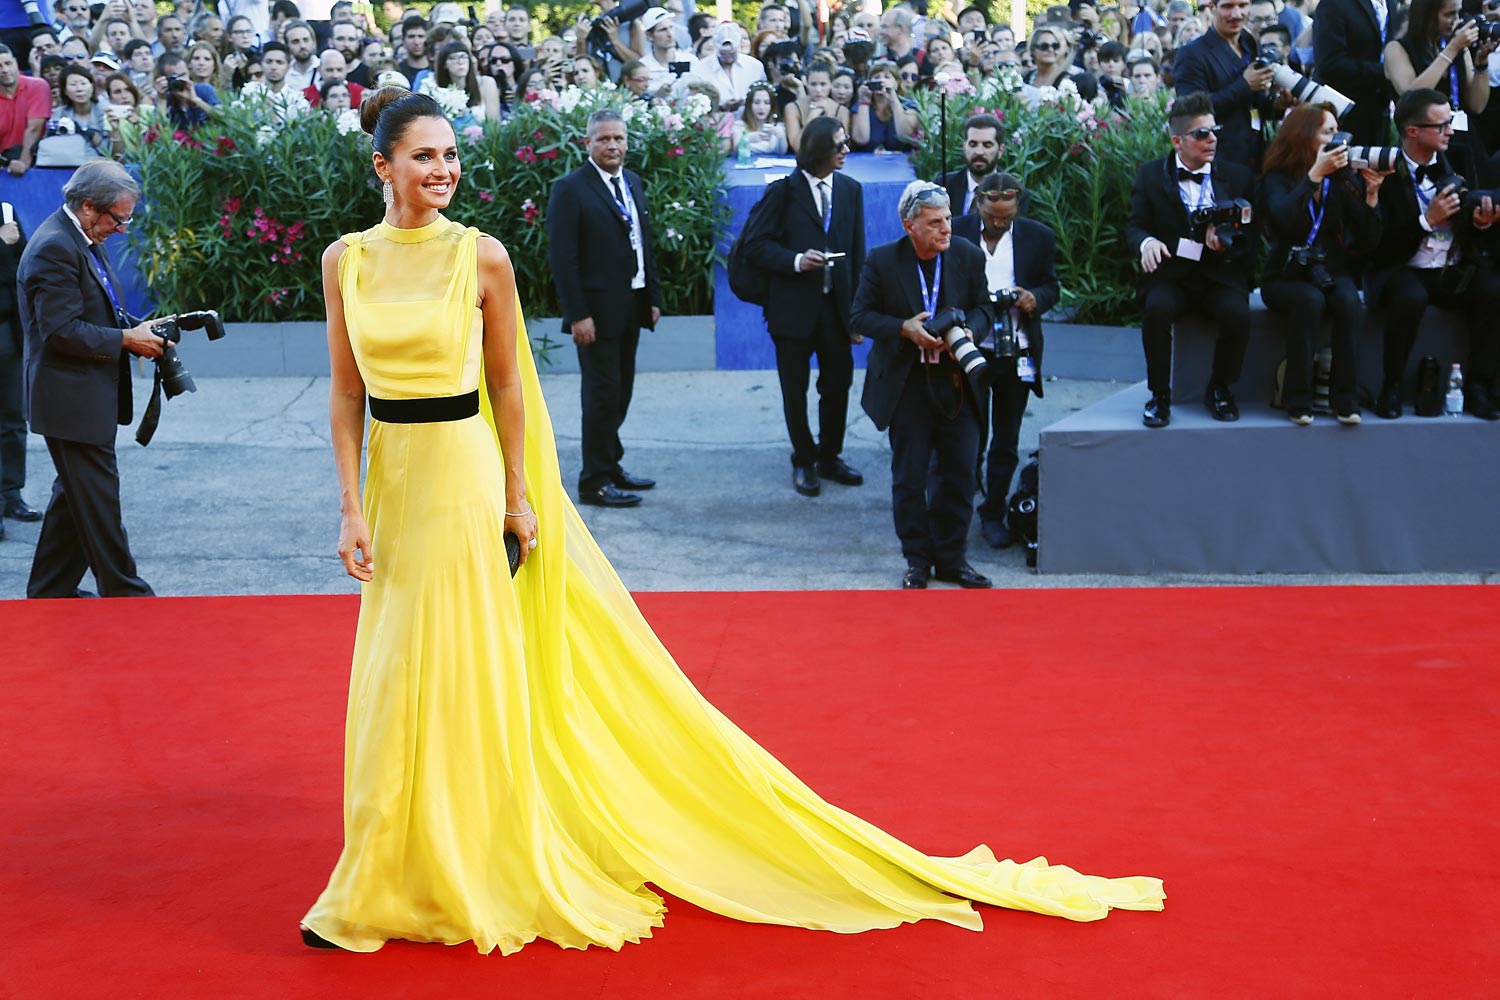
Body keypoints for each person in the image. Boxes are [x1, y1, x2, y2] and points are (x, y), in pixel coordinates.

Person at [297, 82, 1162, 956]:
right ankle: (382, 868)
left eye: (451, 154)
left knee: (469, 668)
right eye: (424, 156)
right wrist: (348, 505)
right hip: (395, 489)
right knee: (393, 674)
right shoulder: (346, 262)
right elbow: (344, 389)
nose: (444, 170)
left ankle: (470, 858)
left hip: (465, 476)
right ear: (384, 165)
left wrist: (518, 495)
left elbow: (510, 383)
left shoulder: (479, 258)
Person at [17, 160, 166, 598]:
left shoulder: (78, 237)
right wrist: (125, 340)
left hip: (81, 395)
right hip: (70, 399)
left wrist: (142, 330)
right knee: (98, 499)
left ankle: (49, 592)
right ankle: (126, 593)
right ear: (88, 207)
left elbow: (95, 309)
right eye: (118, 219)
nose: (122, 228)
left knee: (75, 497)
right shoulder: (54, 248)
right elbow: (61, 331)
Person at [851, 181, 993, 591]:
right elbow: (860, 316)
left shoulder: (967, 255)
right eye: (934, 223)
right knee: (909, 478)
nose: (946, 228)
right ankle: (917, 560)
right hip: (908, 384)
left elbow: (984, 307)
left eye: (948, 219)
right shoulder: (882, 261)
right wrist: (904, 329)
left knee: (960, 474)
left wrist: (968, 330)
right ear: (909, 225)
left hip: (957, 383)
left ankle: (953, 558)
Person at [741, 117, 865, 497]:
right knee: (794, 390)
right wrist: (796, 260)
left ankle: (830, 455)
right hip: (792, 309)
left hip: (835, 309)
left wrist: (857, 314)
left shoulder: (850, 190)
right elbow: (755, 247)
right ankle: (804, 459)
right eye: (839, 145)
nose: (846, 151)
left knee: (838, 385)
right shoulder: (783, 191)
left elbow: (857, 253)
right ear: (817, 151)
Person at [547, 108, 662, 508]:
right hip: (594, 314)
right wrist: (578, 314)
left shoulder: (632, 182)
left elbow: (644, 244)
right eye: (604, 139)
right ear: (588, 143)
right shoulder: (571, 189)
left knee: (621, 391)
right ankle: (593, 480)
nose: (612, 145)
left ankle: (611, 465)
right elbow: (564, 258)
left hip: (631, 305)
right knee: (601, 396)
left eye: (619, 138)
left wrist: (653, 299)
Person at [1364, 87, 1500, 419]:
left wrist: (1481, 221)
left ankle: (1479, 387)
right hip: (1403, 267)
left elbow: (1477, 203)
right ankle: (1391, 387)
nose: (1450, 131)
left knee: (1493, 291)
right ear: (1413, 131)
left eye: (1450, 123)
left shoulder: (1463, 155)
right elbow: (1376, 246)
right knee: (1409, 298)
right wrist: (1427, 220)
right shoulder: (1383, 168)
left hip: (1453, 265)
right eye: (1442, 126)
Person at [1124, 91, 1257, 427]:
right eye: (1201, 134)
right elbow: (1135, 225)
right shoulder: (1152, 175)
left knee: (1238, 315)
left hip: (1220, 275)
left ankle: (1221, 389)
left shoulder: (1238, 176)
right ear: (1177, 141)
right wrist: (1147, 242)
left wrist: (1228, 242)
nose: (1212, 139)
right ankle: (1159, 395)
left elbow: (1254, 237)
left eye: (1215, 131)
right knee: (1156, 310)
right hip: (1172, 274)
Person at [1258, 103, 1386, 425]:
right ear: (1304, 136)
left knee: (1347, 300)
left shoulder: (1342, 179)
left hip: (1330, 271)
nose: (1337, 138)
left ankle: (1345, 400)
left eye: (1337, 131)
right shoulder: (1277, 178)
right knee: (1310, 301)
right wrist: (1314, 175)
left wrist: (1371, 196)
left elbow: (1369, 240)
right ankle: (1297, 398)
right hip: (1286, 275)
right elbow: (1283, 219)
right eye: (1328, 132)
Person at [951, 173, 1060, 550]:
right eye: (993, 216)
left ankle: (993, 511)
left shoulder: (1037, 237)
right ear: (978, 202)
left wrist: (1034, 298)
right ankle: (958, 508)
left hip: (1017, 351)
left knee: (1006, 439)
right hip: (971, 350)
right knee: (966, 436)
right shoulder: (957, 231)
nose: (999, 223)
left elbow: (1052, 286)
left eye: (1006, 217)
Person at [1383, 0, 1498, 183]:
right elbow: (1412, 98)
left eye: (1458, 13)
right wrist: (1452, 49)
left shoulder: (1459, 47)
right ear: (1426, 16)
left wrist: (1481, 64)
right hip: (1424, 145)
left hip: (1463, 141)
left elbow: (1477, 105)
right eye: (1449, 15)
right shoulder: (1397, 49)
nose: (1456, 21)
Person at [1171, 0, 1276, 169]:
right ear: (1212, 8)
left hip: (1257, 157)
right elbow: (1192, 112)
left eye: (1242, 6)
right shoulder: (1192, 54)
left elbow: (1256, 103)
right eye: (1228, 7)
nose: (1236, 14)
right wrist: (1244, 85)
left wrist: (1277, 105)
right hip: (1219, 162)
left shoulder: (1249, 43)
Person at [0, 199, 36, 541]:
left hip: (8, 332)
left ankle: (12, 494)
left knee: (13, 417)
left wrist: (9, 246)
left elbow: (23, 270)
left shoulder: (8, 211)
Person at [1312, 0, 1393, 144]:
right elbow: (1330, 64)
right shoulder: (1334, 4)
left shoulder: (1391, 4)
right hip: (1343, 117)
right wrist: (1387, 71)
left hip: (1380, 113)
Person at [688, 21, 765, 111]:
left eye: (732, 54)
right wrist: (721, 107)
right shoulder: (699, 69)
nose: (728, 58)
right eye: (723, 55)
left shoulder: (755, 66)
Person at [0, 44, 48, 177]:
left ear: (15, 62)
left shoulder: (38, 86)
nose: (5, 70)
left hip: (36, 165)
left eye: (8, 63)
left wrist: (23, 163)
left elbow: (34, 129)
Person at [943, 113, 1004, 216]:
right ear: (964, 147)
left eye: (987, 145)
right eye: (973, 144)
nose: (979, 152)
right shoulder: (945, 184)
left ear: (1000, 151)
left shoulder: (1012, 190)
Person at [851, 59, 917, 151]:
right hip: (867, 160)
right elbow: (860, 139)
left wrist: (894, 101)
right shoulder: (860, 105)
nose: (881, 80)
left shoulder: (908, 104)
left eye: (887, 77)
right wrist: (864, 102)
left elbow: (905, 136)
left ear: (897, 82)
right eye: (876, 77)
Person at [735, 78, 786, 154]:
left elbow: (782, 153)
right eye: (756, 102)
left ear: (772, 105)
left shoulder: (778, 126)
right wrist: (750, 138)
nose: (761, 107)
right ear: (749, 105)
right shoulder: (739, 126)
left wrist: (781, 137)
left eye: (767, 103)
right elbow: (735, 152)